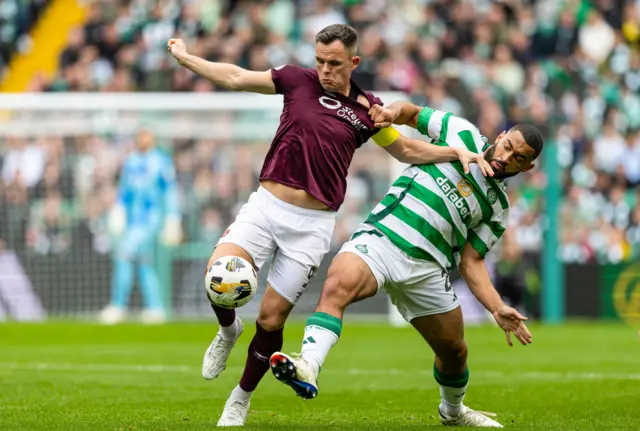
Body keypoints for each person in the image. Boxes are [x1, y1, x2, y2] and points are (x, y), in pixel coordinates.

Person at [167, 24, 493, 426]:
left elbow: (406, 150)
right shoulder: (295, 80)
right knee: (219, 277)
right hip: (266, 207)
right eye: (320, 61)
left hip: (311, 226)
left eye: (334, 63)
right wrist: (187, 58)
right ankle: (229, 329)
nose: (324, 70)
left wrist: (454, 151)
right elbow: (235, 77)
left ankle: (240, 398)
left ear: (353, 62)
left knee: (271, 322)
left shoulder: (369, 111)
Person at [270, 101, 543, 428]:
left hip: (428, 270)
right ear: (500, 136)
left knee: (455, 352)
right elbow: (411, 114)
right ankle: (308, 366)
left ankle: (453, 412)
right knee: (338, 285)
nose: (506, 158)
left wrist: (497, 308)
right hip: (382, 239)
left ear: (526, 168)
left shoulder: (498, 208)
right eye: (508, 146)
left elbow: (471, 262)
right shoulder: (462, 133)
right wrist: (390, 115)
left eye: (518, 159)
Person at [101, 129, 182, 324]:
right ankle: (155, 307)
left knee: (123, 254)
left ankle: (118, 305)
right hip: (132, 221)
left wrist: (173, 217)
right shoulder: (131, 161)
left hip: (151, 220)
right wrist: (119, 208)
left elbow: (170, 191)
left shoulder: (161, 162)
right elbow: (125, 189)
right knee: (145, 262)